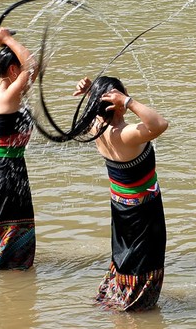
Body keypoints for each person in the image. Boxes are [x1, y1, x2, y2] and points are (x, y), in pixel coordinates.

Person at [71, 76, 169, 311]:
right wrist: (129, 102)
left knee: (126, 256)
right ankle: (135, 308)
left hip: (120, 206)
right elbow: (160, 124)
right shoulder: (126, 133)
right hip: (143, 210)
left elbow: (97, 112)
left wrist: (91, 94)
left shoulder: (96, 127)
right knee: (145, 261)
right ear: (116, 103)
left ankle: (122, 297)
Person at [0, 28, 39, 270]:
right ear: (13, 70)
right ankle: (5, 266)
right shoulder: (8, 95)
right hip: (5, 170)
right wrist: (8, 39)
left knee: (0, 219)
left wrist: (4, 44)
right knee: (9, 221)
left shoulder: (2, 89)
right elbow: (32, 66)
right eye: (19, 69)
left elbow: (28, 67)